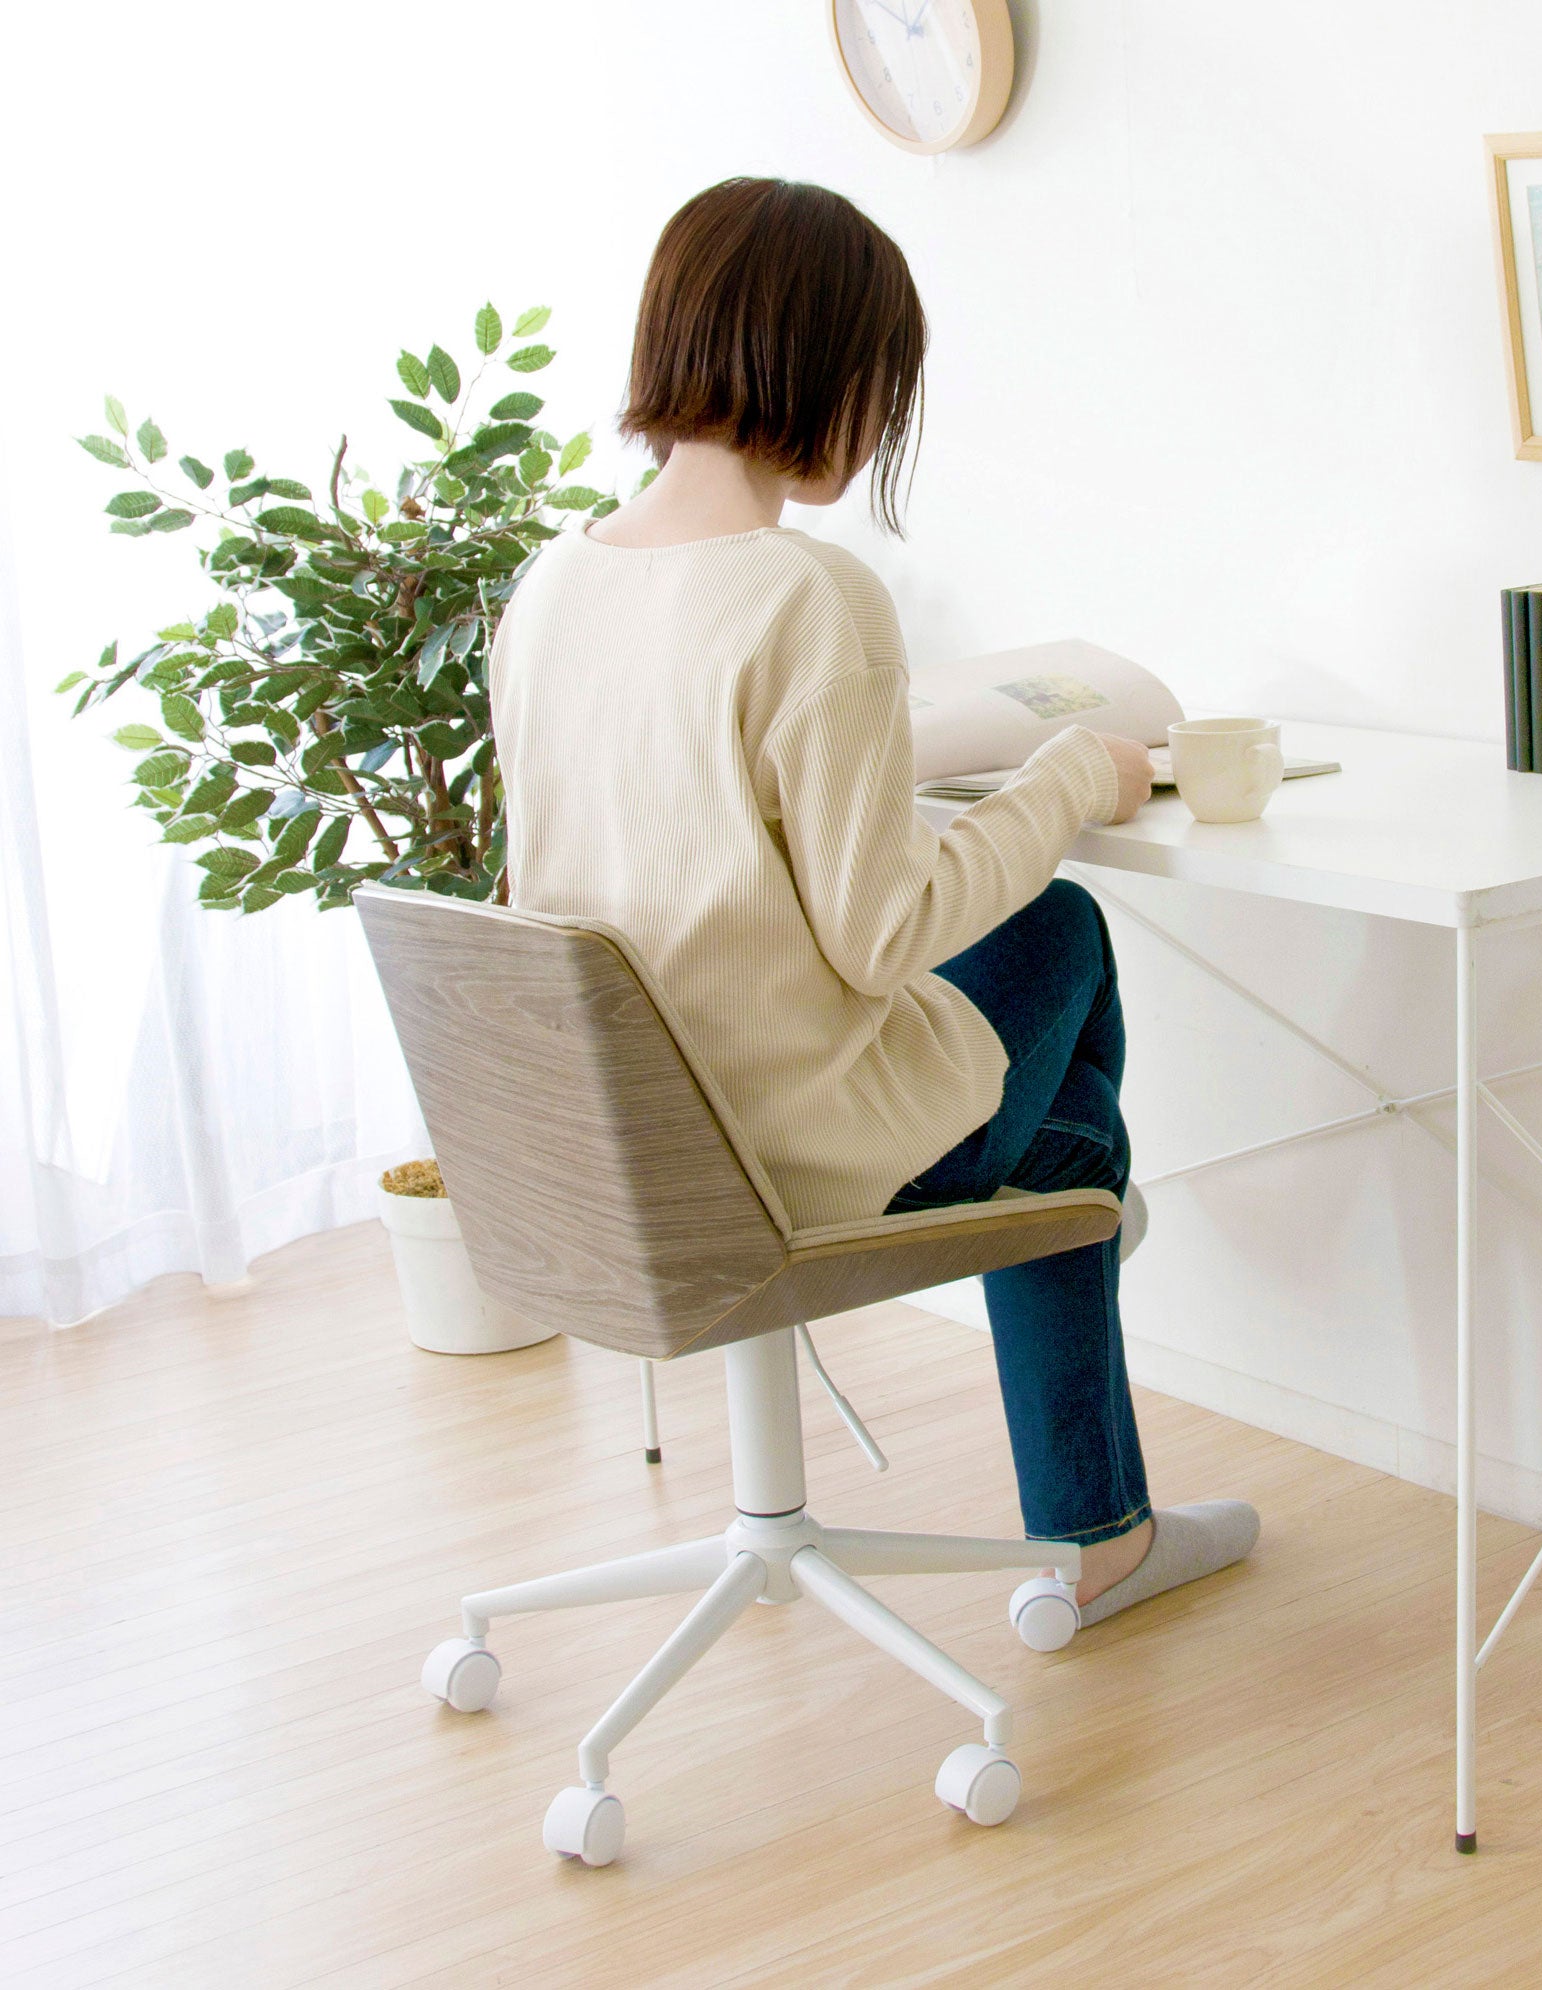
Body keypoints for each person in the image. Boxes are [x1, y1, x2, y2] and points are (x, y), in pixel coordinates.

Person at [492, 177, 1255, 1622]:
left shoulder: (551, 588)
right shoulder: (805, 595)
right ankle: (1091, 1468)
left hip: (629, 1145)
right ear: (831, 370)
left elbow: (589, 881)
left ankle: (1075, 1228)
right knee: (1057, 937)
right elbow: (885, 933)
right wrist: (1066, 782)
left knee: (1060, 1125)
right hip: (783, 1159)